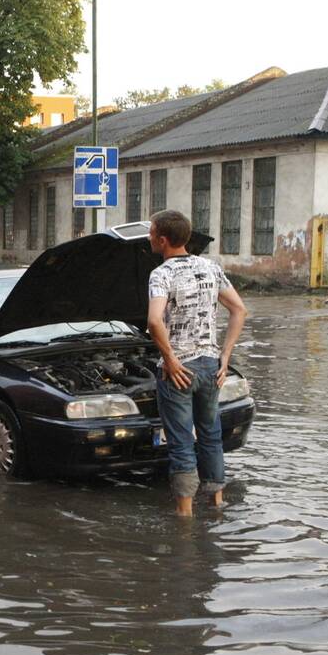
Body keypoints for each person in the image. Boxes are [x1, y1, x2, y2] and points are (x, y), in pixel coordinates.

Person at [146, 210, 247, 517]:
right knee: (211, 436)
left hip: (180, 372)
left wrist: (170, 360)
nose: (149, 237)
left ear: (163, 240)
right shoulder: (211, 267)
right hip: (210, 367)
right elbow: (239, 310)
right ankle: (217, 503)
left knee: (180, 443)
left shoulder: (161, 274)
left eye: (151, 233)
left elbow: (153, 321)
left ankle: (185, 515)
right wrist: (225, 355)